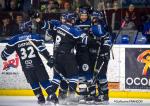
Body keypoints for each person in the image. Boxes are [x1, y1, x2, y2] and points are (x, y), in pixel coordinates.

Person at [1, 21, 54, 105]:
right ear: (29, 28)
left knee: (33, 82)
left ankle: (40, 99)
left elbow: (5, 55)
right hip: (37, 64)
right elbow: (42, 50)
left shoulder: (14, 39)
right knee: (44, 80)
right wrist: (49, 58)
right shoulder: (35, 37)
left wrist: (3, 55)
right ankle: (52, 96)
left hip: (26, 66)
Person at [44, 12, 87, 105]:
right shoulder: (73, 30)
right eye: (73, 19)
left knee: (56, 77)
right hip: (67, 56)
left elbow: (49, 31)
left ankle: (50, 97)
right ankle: (71, 97)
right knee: (74, 76)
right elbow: (84, 40)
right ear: (71, 20)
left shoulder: (59, 26)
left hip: (56, 55)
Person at [87, 10, 111, 104]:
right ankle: (99, 93)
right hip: (97, 54)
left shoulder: (98, 27)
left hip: (102, 55)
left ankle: (104, 95)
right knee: (96, 74)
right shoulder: (94, 26)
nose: (92, 18)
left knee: (101, 75)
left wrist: (105, 49)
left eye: (93, 16)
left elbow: (105, 39)